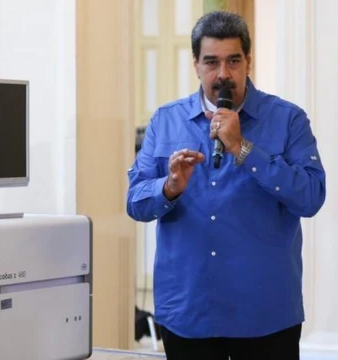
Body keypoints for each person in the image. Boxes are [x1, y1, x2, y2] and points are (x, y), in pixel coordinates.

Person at [126, 10, 326, 360]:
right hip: (188, 313)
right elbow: (136, 202)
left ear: (248, 60)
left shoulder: (288, 119)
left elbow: (310, 197)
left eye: (233, 61)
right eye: (211, 62)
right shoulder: (166, 121)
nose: (223, 74)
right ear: (196, 65)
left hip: (265, 314)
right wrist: (170, 187)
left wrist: (243, 149)